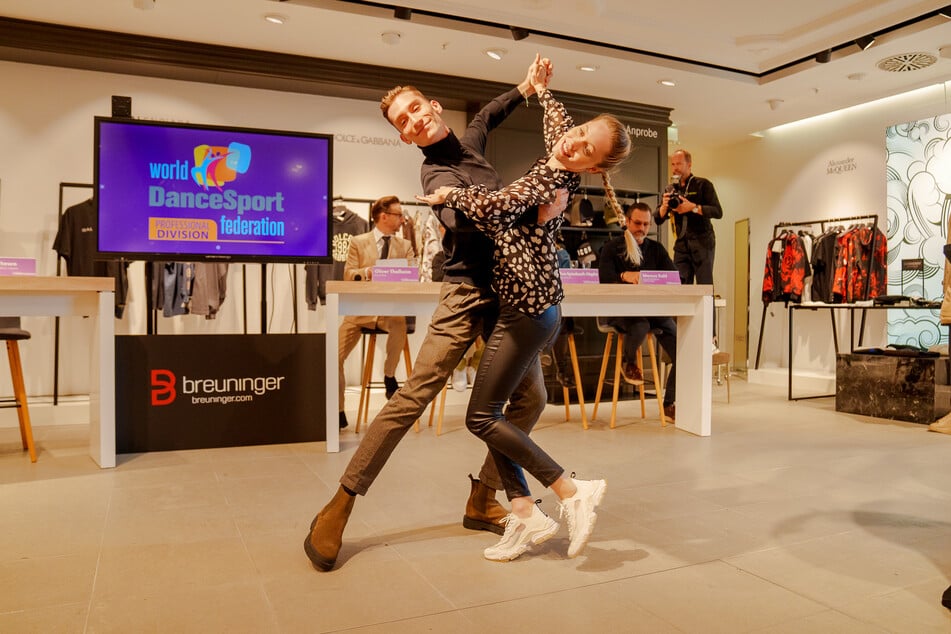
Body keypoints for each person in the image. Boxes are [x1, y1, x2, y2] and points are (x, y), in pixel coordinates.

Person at [304, 56, 565, 572]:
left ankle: (482, 496)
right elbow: (454, 216)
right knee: (414, 395)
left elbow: (489, 113)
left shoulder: (467, 143)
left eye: (416, 108)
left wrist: (527, 87)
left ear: (434, 106)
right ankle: (341, 502)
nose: (413, 119)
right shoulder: (435, 171)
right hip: (466, 294)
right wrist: (524, 209)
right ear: (404, 137)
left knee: (531, 398)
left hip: (508, 293)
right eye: (403, 120)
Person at [416, 66, 631, 561]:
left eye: (587, 150)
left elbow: (495, 206)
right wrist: (538, 88)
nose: (574, 144)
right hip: (527, 305)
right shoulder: (562, 148)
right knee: (492, 415)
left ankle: (572, 491)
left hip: (528, 312)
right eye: (579, 134)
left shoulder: (551, 184)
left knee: (482, 416)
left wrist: (452, 195)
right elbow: (558, 121)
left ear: (593, 167)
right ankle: (524, 514)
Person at [336, 195, 415, 429]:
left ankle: (389, 376)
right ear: (384, 216)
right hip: (359, 313)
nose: (402, 219)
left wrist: (398, 274)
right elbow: (349, 274)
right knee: (333, 357)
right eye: (399, 215)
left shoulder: (405, 245)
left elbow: (412, 274)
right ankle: (338, 410)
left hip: (389, 313)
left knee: (400, 322)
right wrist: (371, 272)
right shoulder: (358, 242)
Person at [598, 202, 678, 421]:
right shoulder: (611, 248)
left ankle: (670, 403)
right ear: (626, 221)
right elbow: (603, 281)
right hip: (620, 311)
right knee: (640, 324)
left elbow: (673, 278)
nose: (641, 228)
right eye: (637, 223)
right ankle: (628, 361)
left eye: (646, 224)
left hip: (653, 311)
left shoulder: (657, 249)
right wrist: (624, 276)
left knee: (684, 349)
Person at [653, 149, 723, 286]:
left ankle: (708, 308)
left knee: (705, 286)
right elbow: (657, 218)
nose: (675, 168)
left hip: (702, 242)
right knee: (679, 285)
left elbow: (717, 212)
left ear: (689, 164)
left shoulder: (703, 184)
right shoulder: (670, 189)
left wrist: (693, 207)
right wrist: (664, 206)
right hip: (681, 244)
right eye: (673, 164)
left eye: (678, 164)